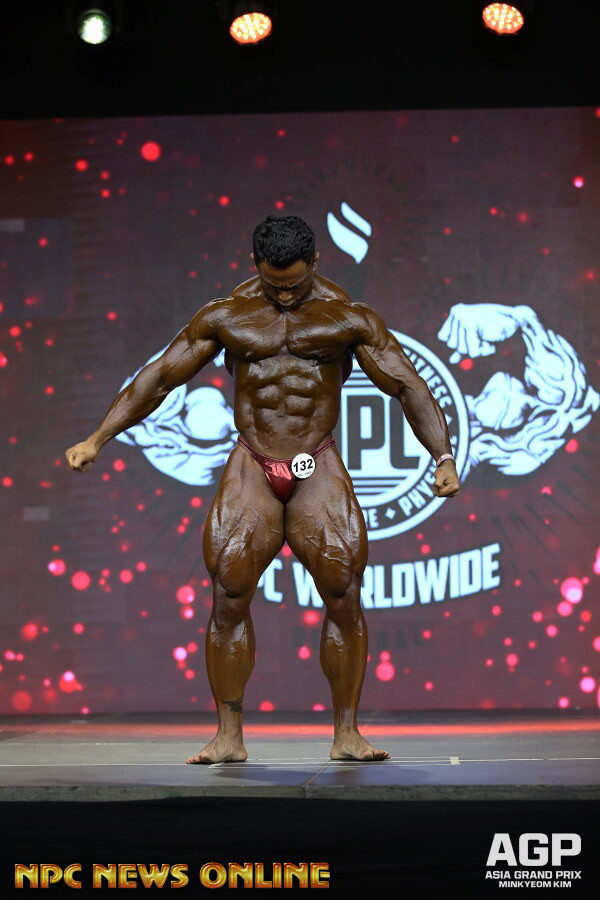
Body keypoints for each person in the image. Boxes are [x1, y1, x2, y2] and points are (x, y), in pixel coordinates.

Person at [65, 215, 461, 763]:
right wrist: (97, 438)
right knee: (228, 595)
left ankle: (347, 734)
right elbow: (160, 377)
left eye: (295, 284)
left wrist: (442, 457)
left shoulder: (348, 319)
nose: (285, 295)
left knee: (343, 593)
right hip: (253, 460)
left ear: (315, 262)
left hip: (315, 460)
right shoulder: (225, 316)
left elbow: (407, 385)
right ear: (255, 264)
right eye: (275, 284)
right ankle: (229, 737)